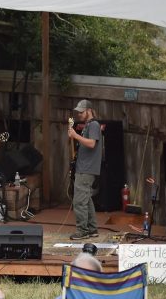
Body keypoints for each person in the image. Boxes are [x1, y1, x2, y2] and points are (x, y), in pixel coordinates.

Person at [67, 99, 102, 240]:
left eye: (82, 112)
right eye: (78, 112)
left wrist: (76, 136)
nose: (79, 114)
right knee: (86, 199)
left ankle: (83, 230)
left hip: (87, 169)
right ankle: (92, 229)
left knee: (79, 201)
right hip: (85, 167)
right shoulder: (88, 125)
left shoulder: (93, 125)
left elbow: (92, 144)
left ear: (89, 111)